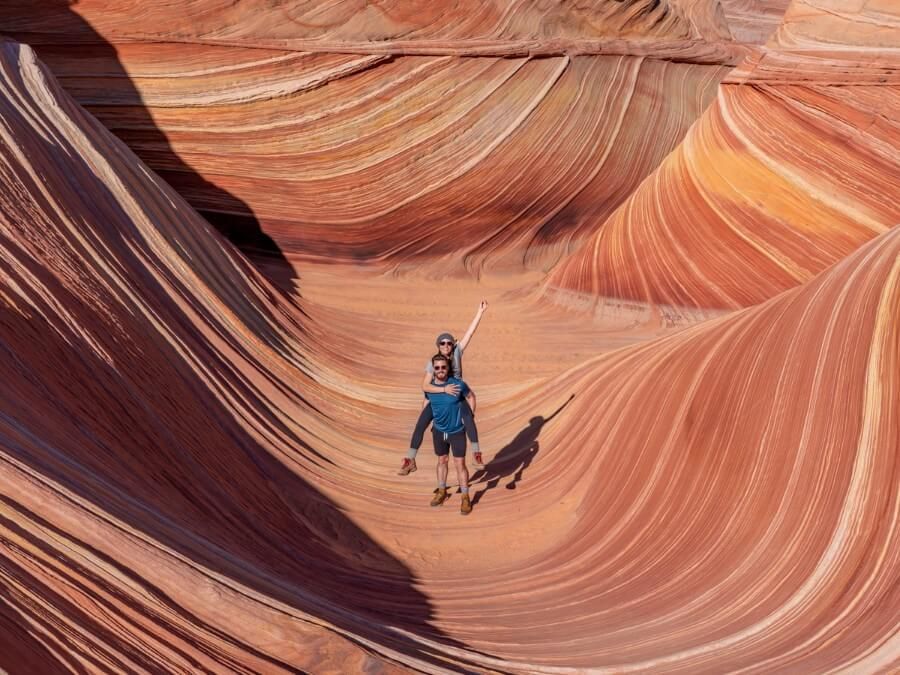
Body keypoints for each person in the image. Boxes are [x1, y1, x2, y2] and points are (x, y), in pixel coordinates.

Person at [397, 301, 487, 476]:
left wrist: (480, 312)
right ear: (438, 346)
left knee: (468, 418)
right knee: (420, 424)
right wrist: (439, 394)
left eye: (448, 343)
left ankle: (476, 454)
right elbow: (425, 386)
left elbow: (470, 333)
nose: (446, 346)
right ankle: (410, 459)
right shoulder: (434, 363)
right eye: (442, 343)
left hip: (456, 395)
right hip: (440, 396)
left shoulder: (457, 352)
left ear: (452, 344)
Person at [425, 354, 475, 515]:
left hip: (456, 431)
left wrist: (469, 418)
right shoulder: (430, 387)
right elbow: (426, 402)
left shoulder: (458, 384)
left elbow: (471, 396)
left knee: (460, 464)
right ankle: (442, 491)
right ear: (433, 369)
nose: (440, 370)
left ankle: (465, 496)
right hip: (440, 431)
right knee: (442, 460)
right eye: (437, 367)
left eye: (443, 367)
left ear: (448, 368)